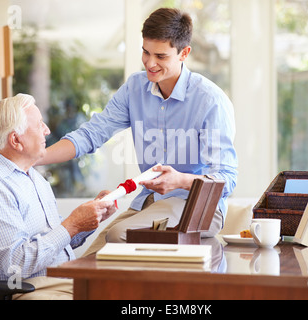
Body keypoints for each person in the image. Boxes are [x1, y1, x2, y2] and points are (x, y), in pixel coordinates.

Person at [38, 8, 238, 254]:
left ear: (184, 53)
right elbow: (92, 134)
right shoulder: (134, 88)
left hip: (196, 207)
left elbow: (225, 179)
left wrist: (181, 180)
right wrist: (37, 158)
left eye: (161, 56)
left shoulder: (210, 101)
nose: (150, 63)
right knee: (92, 257)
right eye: (146, 52)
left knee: (119, 236)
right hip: (149, 203)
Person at [0, 94, 116, 300]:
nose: (47, 130)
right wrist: (72, 224)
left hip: (59, 280)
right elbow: (17, 264)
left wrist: (90, 219)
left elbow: (55, 241)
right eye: (39, 124)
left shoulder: (32, 176)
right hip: (23, 291)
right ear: (16, 140)